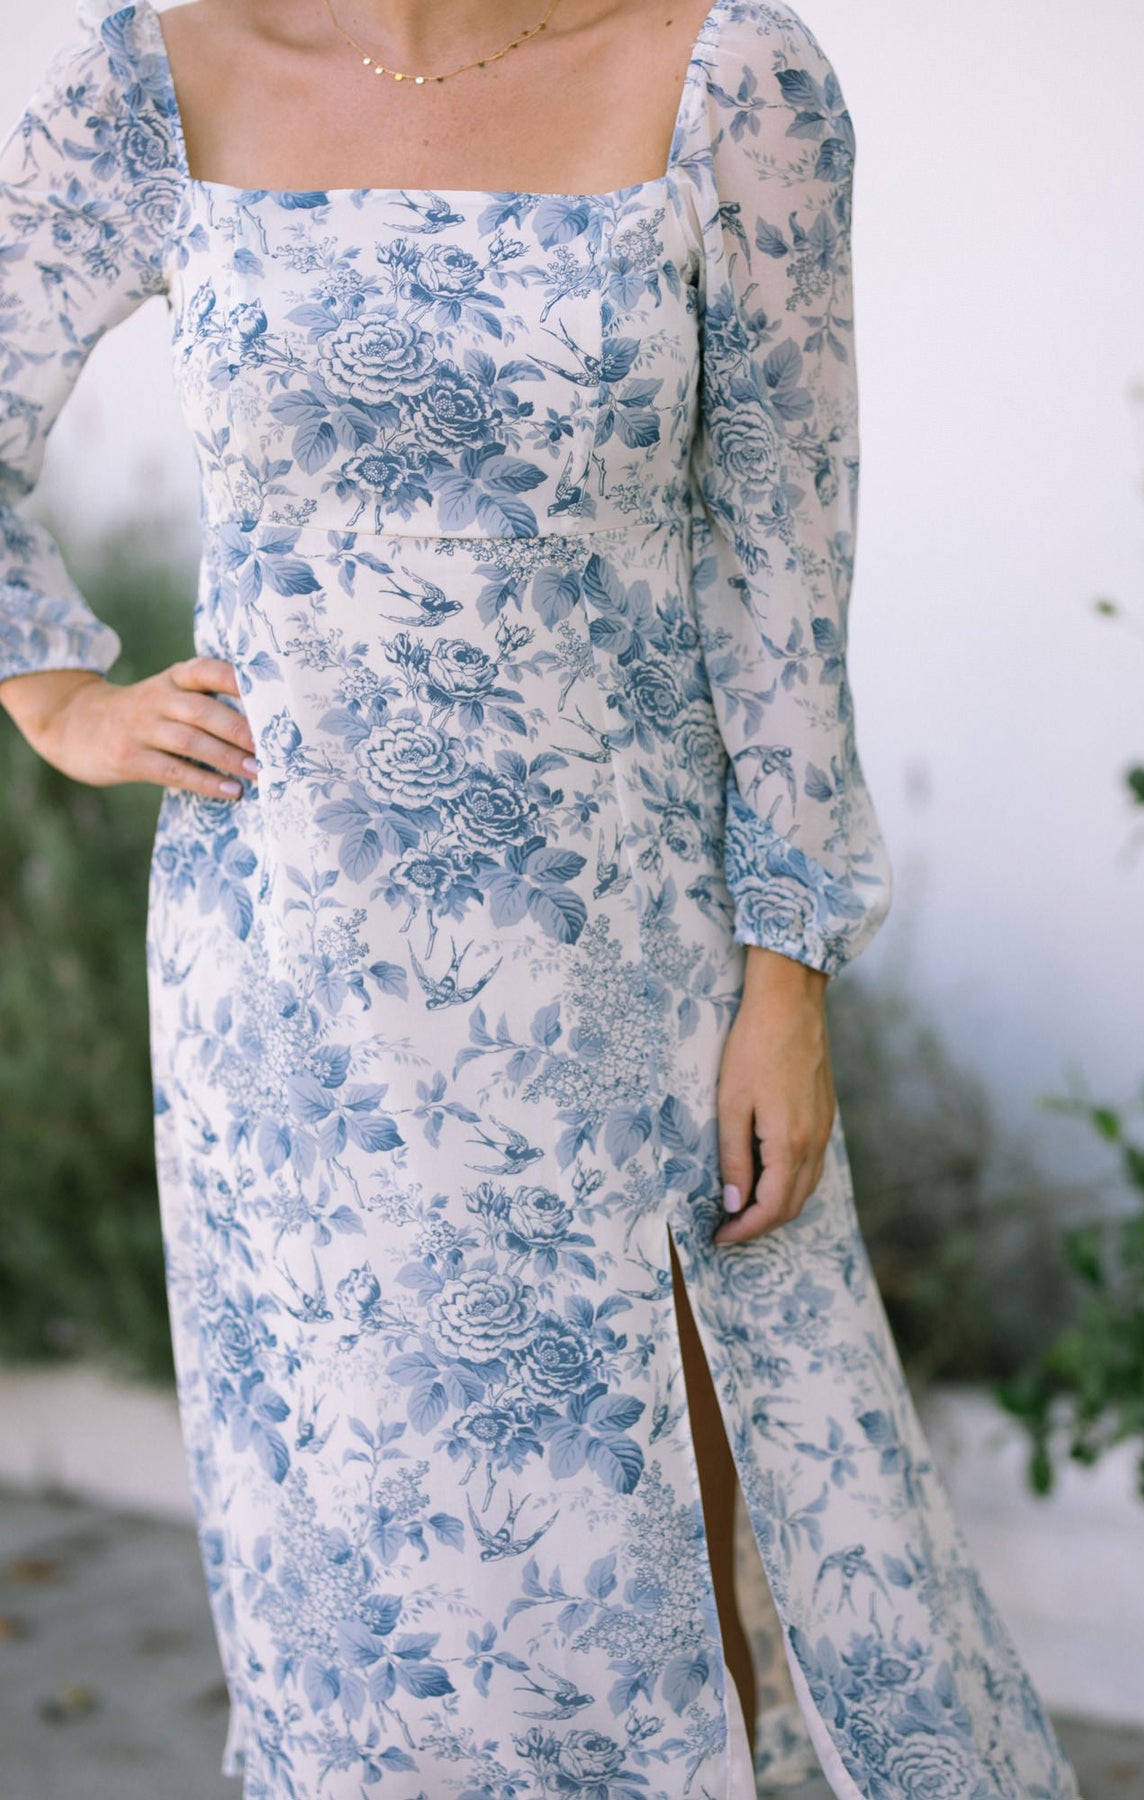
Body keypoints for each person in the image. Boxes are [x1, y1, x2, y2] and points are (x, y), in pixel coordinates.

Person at [0, 2, 1084, 1796]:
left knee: (661, 1570)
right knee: (360, 1600)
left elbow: (785, 558)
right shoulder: (156, 75)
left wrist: (791, 970)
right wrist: (64, 704)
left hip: (628, 975)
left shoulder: (732, 78)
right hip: (297, 1003)